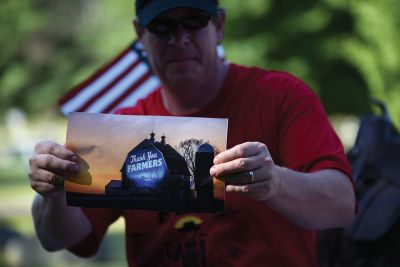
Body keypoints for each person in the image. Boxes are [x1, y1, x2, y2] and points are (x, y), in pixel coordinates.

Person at [28, 0, 356, 266]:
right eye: (162, 24)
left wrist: (275, 182)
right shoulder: (122, 128)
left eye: (194, 21)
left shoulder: (281, 97)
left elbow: (342, 204)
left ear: (219, 26)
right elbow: (57, 238)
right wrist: (54, 196)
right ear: (140, 33)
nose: (179, 38)